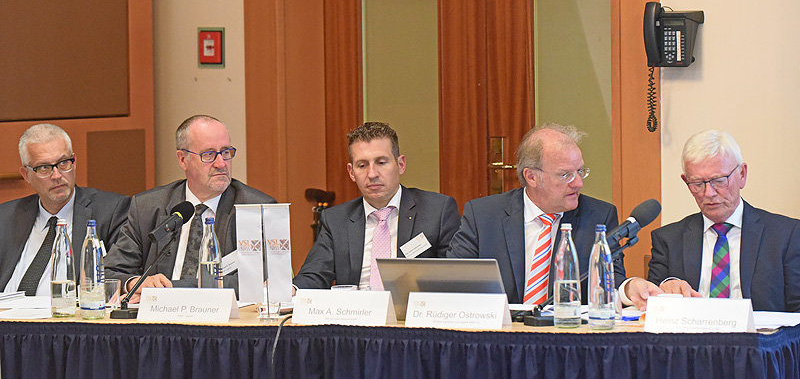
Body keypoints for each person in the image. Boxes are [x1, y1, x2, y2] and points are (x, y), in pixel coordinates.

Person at [622, 130, 800, 312]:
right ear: (686, 182)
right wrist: (666, 287)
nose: (709, 193)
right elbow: (653, 305)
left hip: (760, 330)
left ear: (742, 174)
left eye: (719, 180)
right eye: (698, 184)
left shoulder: (786, 235)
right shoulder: (668, 239)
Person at [447, 123, 625, 305]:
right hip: (501, 322)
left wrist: (628, 288)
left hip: (567, 321)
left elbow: (612, 279)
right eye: (565, 175)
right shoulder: (483, 215)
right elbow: (454, 279)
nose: (578, 183)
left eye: (579, 171)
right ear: (531, 177)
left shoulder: (599, 217)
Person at [104, 115, 276, 301]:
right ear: (182, 159)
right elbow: (109, 271)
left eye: (226, 152)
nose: (221, 163)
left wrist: (171, 289)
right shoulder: (147, 207)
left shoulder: (257, 209)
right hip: (158, 314)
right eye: (208, 154)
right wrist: (136, 284)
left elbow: (263, 280)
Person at [293, 122, 461, 290]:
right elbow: (314, 274)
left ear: (401, 165)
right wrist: (292, 290)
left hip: (411, 305)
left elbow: (454, 276)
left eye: (381, 162)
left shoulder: (437, 211)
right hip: (356, 306)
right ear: (351, 172)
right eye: (362, 165)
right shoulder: (336, 220)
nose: (372, 174)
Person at [0, 124, 131, 296]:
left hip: (69, 311)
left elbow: (121, 273)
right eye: (44, 168)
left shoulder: (110, 211)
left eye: (63, 163)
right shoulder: (6, 216)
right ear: (26, 175)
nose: (57, 175)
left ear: (74, 162)